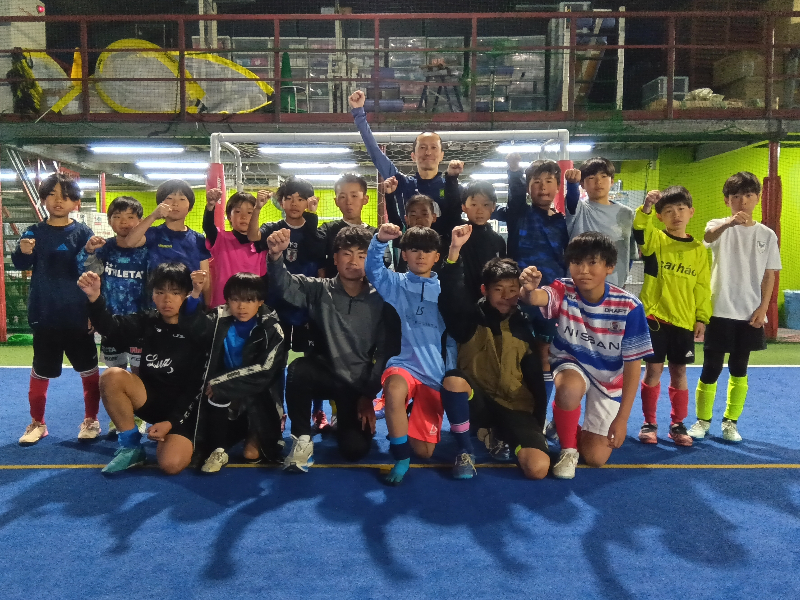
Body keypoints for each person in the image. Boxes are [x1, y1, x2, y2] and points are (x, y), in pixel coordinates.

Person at [518, 232, 653, 480]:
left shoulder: (630, 307)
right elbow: (536, 297)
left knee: (595, 457)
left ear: (610, 267)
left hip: (608, 380)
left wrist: (622, 419)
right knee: (568, 388)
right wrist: (528, 289)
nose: (583, 270)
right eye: (577, 262)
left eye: (592, 262)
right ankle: (568, 450)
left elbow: (633, 367)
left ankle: (562, 424)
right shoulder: (563, 289)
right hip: (571, 364)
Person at [267, 226, 400, 471]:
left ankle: (345, 421)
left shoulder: (381, 298)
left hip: (357, 386)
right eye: (347, 254)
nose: (354, 261)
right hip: (326, 375)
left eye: (362, 255)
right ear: (335, 258)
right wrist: (275, 256)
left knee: (354, 450)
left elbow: (384, 352)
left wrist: (368, 396)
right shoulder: (319, 289)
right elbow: (284, 285)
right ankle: (302, 440)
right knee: (298, 369)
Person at [439, 224, 550, 479]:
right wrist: (454, 251)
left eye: (512, 291)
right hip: (479, 405)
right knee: (453, 380)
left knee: (537, 468)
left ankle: (497, 434)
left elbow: (536, 379)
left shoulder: (524, 325)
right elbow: (451, 294)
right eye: (498, 289)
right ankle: (467, 448)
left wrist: (537, 424)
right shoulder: (468, 319)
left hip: (516, 408)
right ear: (484, 290)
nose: (506, 297)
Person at [78, 263, 210, 474]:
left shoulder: (200, 327)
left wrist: (171, 422)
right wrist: (94, 298)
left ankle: (192, 438)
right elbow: (110, 327)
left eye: (175, 293)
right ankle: (131, 447)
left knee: (171, 465)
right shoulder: (147, 320)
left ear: (187, 294)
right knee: (112, 376)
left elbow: (198, 385)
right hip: (151, 400)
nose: (167, 299)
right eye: (160, 292)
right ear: (153, 295)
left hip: (186, 409)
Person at [365, 224, 464, 485]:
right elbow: (373, 270)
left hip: (434, 375)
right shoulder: (395, 284)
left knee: (425, 451)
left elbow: (456, 333)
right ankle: (401, 458)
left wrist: (451, 372)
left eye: (427, 250)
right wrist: (379, 241)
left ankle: (401, 418)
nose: (421, 255)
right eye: (414, 249)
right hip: (404, 366)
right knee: (394, 390)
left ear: (437, 257)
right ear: (404, 254)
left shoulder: (445, 288)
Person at [689, 172, 781, 442]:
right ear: (727, 200)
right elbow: (707, 237)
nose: (742, 201)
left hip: (750, 312)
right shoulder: (718, 225)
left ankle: (730, 422)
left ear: (757, 198)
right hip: (718, 310)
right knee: (711, 367)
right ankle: (702, 421)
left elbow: (770, 275)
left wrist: (763, 308)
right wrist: (729, 223)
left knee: (739, 367)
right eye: (736, 196)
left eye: (749, 195)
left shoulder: (767, 235)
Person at [13, 173, 101, 445]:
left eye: (65, 196)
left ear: (76, 202)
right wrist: (24, 251)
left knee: (89, 371)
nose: (58, 200)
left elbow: (94, 270)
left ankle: (91, 420)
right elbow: (20, 264)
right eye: (52, 194)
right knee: (41, 371)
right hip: (45, 315)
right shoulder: (34, 232)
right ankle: (37, 423)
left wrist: (93, 313)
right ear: (43, 200)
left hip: (78, 316)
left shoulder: (83, 232)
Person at [494, 154, 579, 421]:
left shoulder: (563, 220)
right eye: (536, 181)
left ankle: (540, 415)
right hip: (518, 297)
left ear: (557, 186)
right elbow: (516, 196)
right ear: (529, 186)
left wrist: (574, 186)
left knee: (545, 355)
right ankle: (509, 413)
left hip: (551, 300)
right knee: (511, 353)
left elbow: (575, 208)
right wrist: (514, 171)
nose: (542, 187)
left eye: (549, 181)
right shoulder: (520, 214)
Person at [633, 186, 711, 447]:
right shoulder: (655, 240)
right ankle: (649, 423)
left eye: (680, 209)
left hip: (684, 321)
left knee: (679, 371)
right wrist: (645, 207)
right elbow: (639, 230)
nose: (676, 214)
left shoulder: (699, 249)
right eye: (668, 211)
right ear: (660, 217)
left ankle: (677, 424)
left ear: (691, 212)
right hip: (655, 319)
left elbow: (702, 286)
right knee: (653, 370)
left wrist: (701, 318)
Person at [186, 272, 286, 473]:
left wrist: (223, 383)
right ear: (227, 301)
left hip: (258, 396)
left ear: (260, 302)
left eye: (249, 300)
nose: (241, 306)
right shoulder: (218, 318)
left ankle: (252, 429)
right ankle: (219, 450)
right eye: (235, 299)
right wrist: (195, 293)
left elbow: (264, 371)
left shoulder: (272, 328)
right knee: (216, 395)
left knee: (252, 455)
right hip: (224, 396)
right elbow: (192, 326)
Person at [348, 90, 462, 240]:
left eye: (434, 147)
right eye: (422, 147)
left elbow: (479, 209)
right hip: (409, 250)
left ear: (442, 155)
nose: (428, 152)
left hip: (444, 252)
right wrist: (358, 113)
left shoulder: (453, 187)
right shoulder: (402, 184)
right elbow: (376, 154)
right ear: (413, 156)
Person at [120, 179, 212, 303]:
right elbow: (129, 242)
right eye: (170, 198)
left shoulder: (198, 239)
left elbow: (205, 278)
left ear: (190, 206)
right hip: (159, 305)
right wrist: (153, 216)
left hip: (190, 305)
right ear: (161, 203)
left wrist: (207, 306)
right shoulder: (153, 233)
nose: (175, 203)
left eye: (182, 199)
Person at [565, 157, 636, 289]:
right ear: (582, 184)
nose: (598, 182)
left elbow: (629, 252)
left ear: (612, 181)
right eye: (591, 178)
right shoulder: (579, 209)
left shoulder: (626, 213)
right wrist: (572, 184)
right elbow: (572, 200)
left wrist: (621, 279)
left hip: (614, 286)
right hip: (580, 284)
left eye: (604, 176)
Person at [446, 173, 506, 302]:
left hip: (489, 303)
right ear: (463, 207)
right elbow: (451, 206)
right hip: (461, 301)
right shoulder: (459, 233)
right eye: (473, 205)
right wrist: (451, 178)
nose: (480, 211)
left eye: (485, 205)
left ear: (493, 207)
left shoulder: (498, 240)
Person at [202, 189, 267, 308]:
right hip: (222, 305)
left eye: (250, 212)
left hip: (250, 307)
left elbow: (263, 279)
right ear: (229, 217)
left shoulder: (261, 246)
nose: (244, 216)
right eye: (237, 211)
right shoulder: (220, 238)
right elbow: (208, 227)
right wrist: (210, 206)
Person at [317, 173, 375, 278]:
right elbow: (314, 255)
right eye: (343, 197)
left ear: (365, 199)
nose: (349, 202)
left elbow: (384, 262)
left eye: (354, 196)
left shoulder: (375, 234)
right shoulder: (328, 230)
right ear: (336, 201)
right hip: (334, 287)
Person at [381, 187, 446, 274]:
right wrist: (389, 195)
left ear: (434, 217)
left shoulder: (439, 242)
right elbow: (393, 217)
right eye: (413, 215)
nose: (418, 218)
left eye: (424, 214)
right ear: (406, 219)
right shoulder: (401, 238)